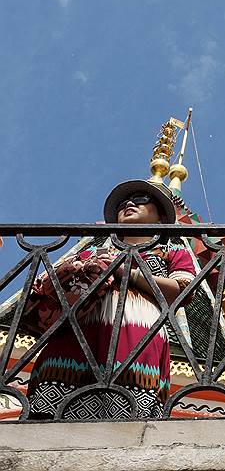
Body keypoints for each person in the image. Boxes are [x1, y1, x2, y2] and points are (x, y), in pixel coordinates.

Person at [27, 180, 197, 419]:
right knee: (55, 408)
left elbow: (183, 290)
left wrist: (128, 273)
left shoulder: (171, 251)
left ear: (161, 219)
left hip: (137, 332)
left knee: (128, 412)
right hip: (78, 332)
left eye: (141, 199)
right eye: (123, 203)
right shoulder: (91, 252)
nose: (129, 204)